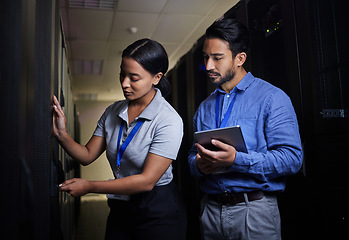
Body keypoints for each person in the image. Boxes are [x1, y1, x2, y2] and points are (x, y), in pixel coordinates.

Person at [52, 38, 187, 240]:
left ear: (156, 78)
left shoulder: (169, 120)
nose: (125, 83)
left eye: (134, 78)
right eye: (122, 74)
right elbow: (87, 155)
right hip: (121, 206)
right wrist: (62, 135)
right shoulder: (113, 111)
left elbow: (147, 181)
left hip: (158, 209)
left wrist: (90, 186)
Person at [188, 18, 303, 240]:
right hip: (210, 211)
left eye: (217, 58)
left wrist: (236, 160)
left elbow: (292, 159)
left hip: (254, 212)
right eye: (206, 57)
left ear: (240, 58)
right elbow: (192, 160)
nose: (208, 66)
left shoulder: (272, 98)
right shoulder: (204, 108)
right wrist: (200, 164)